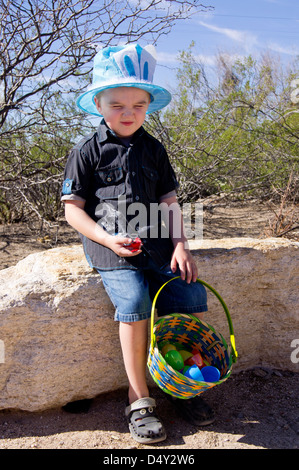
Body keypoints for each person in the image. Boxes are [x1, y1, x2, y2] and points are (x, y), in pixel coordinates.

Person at [61, 44, 214, 444]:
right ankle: (139, 396)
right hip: (110, 247)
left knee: (187, 292)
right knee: (133, 302)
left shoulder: (154, 148)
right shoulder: (86, 151)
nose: (128, 113)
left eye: (138, 105)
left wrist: (182, 245)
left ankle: (182, 382)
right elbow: (73, 210)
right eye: (116, 104)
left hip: (158, 244)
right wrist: (108, 240)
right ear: (98, 103)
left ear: (148, 107)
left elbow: (169, 202)